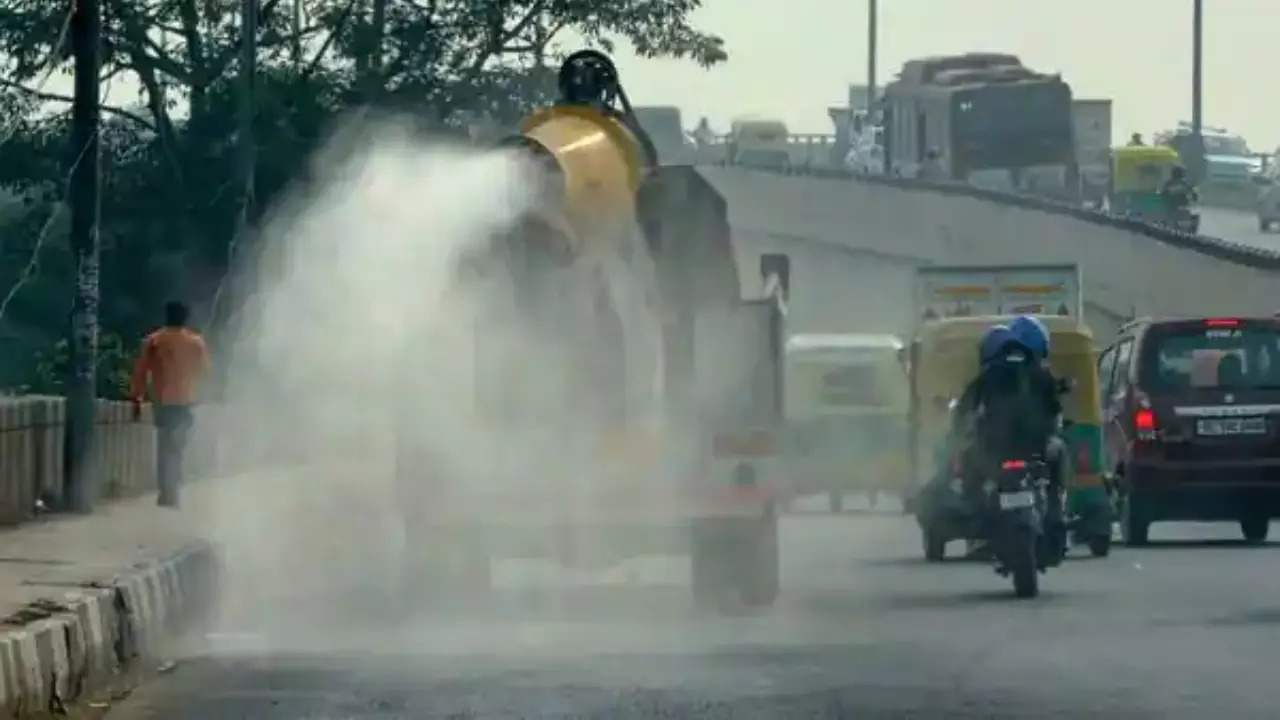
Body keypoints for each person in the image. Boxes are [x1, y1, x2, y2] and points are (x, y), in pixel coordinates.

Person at [130, 300, 212, 508]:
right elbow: (205, 374)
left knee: (164, 446)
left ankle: (166, 491)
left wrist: (137, 398)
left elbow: (141, 372)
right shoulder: (196, 342)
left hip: (163, 402)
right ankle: (174, 484)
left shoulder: (154, 341)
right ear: (185, 318)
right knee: (179, 446)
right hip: (186, 402)